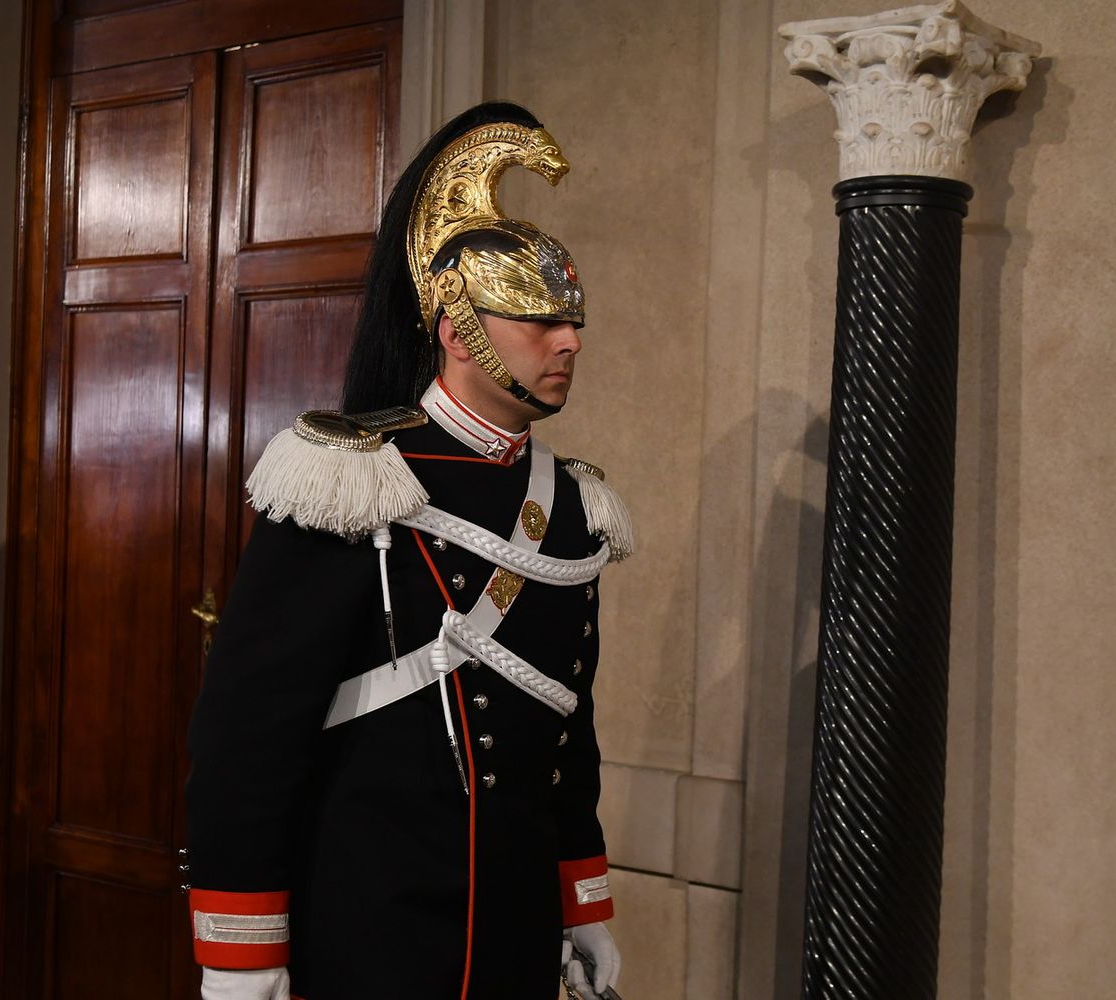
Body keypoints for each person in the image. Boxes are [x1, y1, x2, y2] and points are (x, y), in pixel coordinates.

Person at [182, 102, 633, 1000]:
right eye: (537, 319)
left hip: (514, 933)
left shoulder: (576, 502)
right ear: (456, 326)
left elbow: (565, 736)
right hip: (372, 923)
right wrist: (242, 947)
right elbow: (248, 734)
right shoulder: (350, 474)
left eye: (571, 318)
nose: (569, 340)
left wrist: (581, 902)